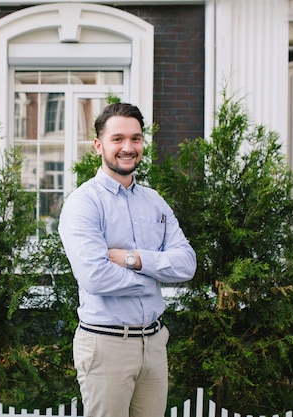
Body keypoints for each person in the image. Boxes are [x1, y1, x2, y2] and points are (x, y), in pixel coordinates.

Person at [58, 102, 196, 417]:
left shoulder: (154, 201)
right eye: (117, 138)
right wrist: (155, 273)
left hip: (154, 342)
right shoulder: (84, 204)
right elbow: (95, 277)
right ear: (99, 145)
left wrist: (132, 259)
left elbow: (186, 263)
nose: (127, 147)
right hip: (107, 345)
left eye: (135, 139)